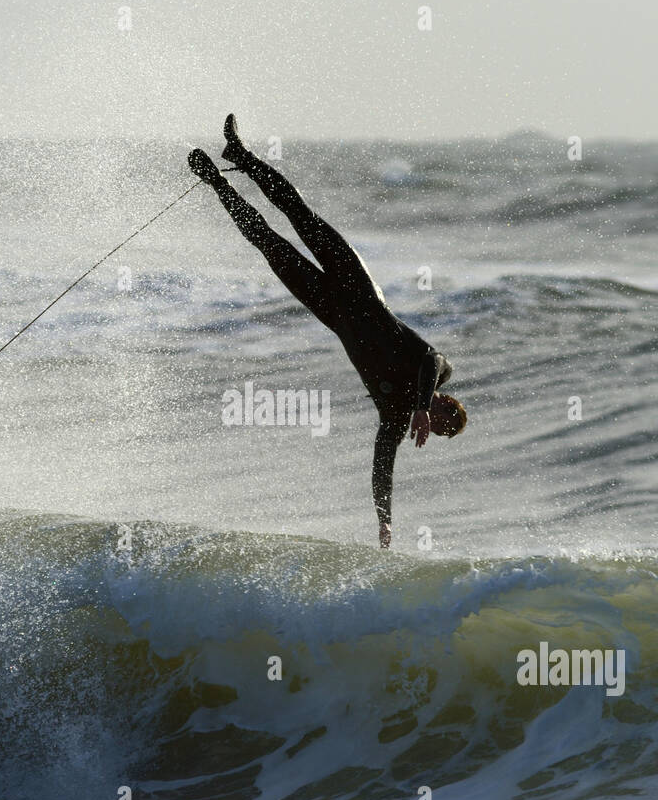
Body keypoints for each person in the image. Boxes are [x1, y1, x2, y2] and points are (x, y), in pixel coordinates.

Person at [189, 115, 466, 548]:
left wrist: (384, 519)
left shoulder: (394, 418)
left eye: (439, 427)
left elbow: (382, 466)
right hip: (360, 287)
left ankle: (214, 181)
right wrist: (424, 401)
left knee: (267, 241)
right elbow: (433, 358)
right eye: (443, 415)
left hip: (331, 311)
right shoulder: (438, 372)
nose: (435, 421)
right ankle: (239, 155)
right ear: (446, 401)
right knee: (301, 214)